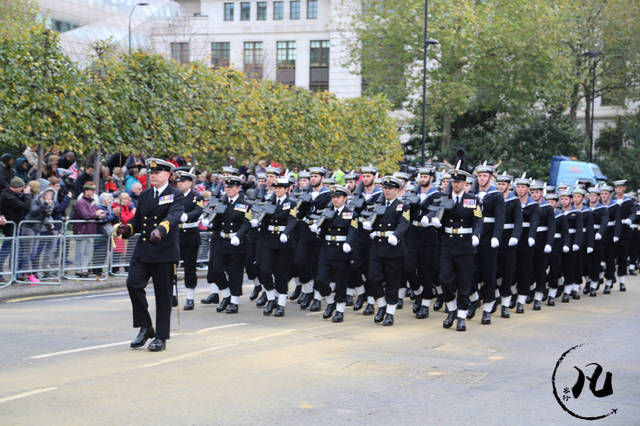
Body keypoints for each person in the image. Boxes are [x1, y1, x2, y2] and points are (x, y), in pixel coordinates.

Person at [116, 158, 184, 352]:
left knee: (163, 296)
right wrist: (127, 229)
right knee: (133, 284)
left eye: (157, 172)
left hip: (164, 251)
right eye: (151, 173)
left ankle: (161, 337)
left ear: (168, 175)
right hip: (144, 249)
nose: (153, 175)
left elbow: (173, 216)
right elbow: (138, 221)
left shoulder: (175, 195)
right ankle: (146, 326)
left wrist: (160, 230)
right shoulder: (145, 195)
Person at [439, 167, 483, 332]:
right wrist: (435, 223)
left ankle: (462, 316)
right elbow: (439, 219)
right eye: (454, 182)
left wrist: (476, 235)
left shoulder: (472, 200)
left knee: (464, 282)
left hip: (465, 245)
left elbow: (478, 220)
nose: (456, 185)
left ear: (465, 184)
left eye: (459, 182)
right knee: (445, 279)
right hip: (448, 244)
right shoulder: (445, 199)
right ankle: (451, 309)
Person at [363, 175, 410, 326]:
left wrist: (396, 235)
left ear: (397, 190)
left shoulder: (403, 205)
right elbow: (372, 218)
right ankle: (382, 305)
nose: (387, 191)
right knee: (373, 278)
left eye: (390, 188)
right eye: (385, 188)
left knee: (392, 281)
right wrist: (369, 225)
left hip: (393, 248)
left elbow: (404, 222)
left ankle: (390, 312)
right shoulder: (379, 204)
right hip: (377, 245)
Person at [309, 185, 356, 322]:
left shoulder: (351, 214)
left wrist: (349, 243)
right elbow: (324, 231)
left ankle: (339, 310)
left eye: (338, 197)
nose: (335, 200)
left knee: (341, 282)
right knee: (321, 280)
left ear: (345, 198)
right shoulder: (327, 212)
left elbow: (353, 230)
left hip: (341, 251)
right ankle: (330, 301)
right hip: (326, 250)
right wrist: (317, 231)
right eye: (333, 197)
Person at [254, 176, 297, 316]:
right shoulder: (270, 202)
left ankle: (281, 304)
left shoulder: (291, 203)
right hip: (268, 239)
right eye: (276, 187)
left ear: (286, 189)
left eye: (280, 188)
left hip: (283, 242)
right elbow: (263, 217)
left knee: (281, 273)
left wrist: (286, 233)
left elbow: (292, 220)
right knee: (264, 270)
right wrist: (257, 222)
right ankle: (271, 298)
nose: (277, 190)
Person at [208, 175, 250, 313]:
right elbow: (217, 221)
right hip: (222, 241)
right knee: (216, 270)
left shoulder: (244, 204)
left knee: (235, 273)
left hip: (237, 243)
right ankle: (226, 295)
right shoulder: (222, 202)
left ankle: (234, 301)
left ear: (238, 188)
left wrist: (238, 236)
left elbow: (246, 223)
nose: (229, 190)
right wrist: (209, 222)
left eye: (232, 187)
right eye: (227, 187)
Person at [470, 163, 505, 324]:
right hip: (473, 237)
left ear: (490, 178)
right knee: (469, 272)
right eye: (479, 176)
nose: (481, 178)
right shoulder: (472, 194)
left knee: (488, 274)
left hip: (489, 238)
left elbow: (500, 218)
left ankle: (488, 308)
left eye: (484, 176)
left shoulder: (496, 195)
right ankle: (474, 298)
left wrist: (496, 236)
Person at [175, 170, 204, 310]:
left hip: (190, 234)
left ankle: (190, 297)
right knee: (171, 266)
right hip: (175, 234)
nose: (180, 184)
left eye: (183, 181)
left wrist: (187, 216)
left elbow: (199, 211)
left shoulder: (196, 197)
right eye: (179, 181)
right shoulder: (174, 196)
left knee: (189, 267)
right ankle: (172, 295)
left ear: (190, 183)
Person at [496, 173, 522, 317]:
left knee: (507, 273)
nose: (500, 186)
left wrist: (515, 236)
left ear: (509, 185)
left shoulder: (514, 201)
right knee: (491, 271)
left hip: (508, 239)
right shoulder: (494, 198)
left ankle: (505, 304)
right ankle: (493, 296)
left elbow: (518, 221)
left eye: (503, 184)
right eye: (499, 184)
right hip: (494, 237)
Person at [71, 182, 106, 278]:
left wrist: (100, 215)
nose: (94, 192)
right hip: (81, 231)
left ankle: (85, 269)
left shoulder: (92, 202)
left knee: (88, 252)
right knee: (80, 252)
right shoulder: (80, 202)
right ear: (86, 191)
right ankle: (79, 270)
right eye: (92, 190)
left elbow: (92, 214)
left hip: (90, 231)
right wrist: (96, 214)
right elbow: (85, 215)